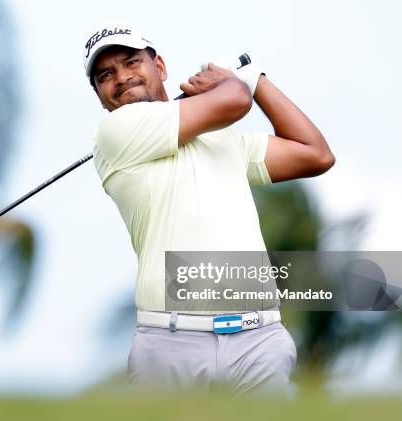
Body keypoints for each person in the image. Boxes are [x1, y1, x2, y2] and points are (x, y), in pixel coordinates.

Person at [83, 22, 334, 393]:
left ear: (161, 68)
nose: (121, 77)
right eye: (106, 74)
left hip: (258, 340)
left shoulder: (223, 140)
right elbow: (234, 101)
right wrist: (233, 81)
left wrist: (256, 78)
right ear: (102, 97)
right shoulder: (114, 135)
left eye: (131, 62)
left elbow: (315, 154)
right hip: (170, 343)